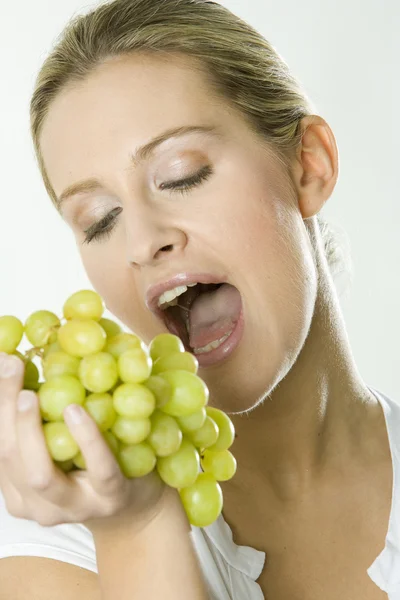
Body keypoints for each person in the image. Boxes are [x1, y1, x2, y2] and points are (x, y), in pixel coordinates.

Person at [0, 0, 397, 598]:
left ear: (308, 165)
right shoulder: (56, 539)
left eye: (181, 175)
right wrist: (137, 528)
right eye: (99, 219)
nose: (141, 242)